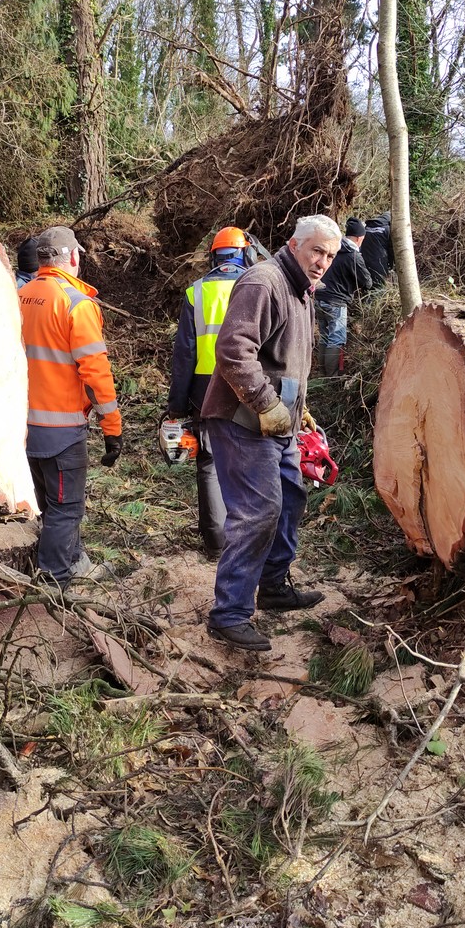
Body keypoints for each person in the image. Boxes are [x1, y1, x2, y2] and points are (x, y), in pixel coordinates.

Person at [201, 213, 342, 651]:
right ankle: (229, 614)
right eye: (317, 250)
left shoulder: (302, 291)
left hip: (278, 420)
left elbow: (283, 361)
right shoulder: (264, 282)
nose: (323, 261)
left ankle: (275, 586)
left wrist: (298, 411)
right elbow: (233, 351)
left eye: (331, 255)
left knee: (290, 499)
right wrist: (267, 404)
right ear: (294, 244)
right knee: (259, 512)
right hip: (242, 420)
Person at [19, 226, 122, 590]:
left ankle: (75, 560)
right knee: (66, 509)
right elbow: (97, 375)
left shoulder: (19, 295)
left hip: (21, 427)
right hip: (62, 432)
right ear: (73, 257)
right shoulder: (75, 304)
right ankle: (54, 580)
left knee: (49, 504)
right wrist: (113, 429)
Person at [167, 226, 259, 559]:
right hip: (250, 383)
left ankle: (217, 543)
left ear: (214, 256)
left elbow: (184, 355)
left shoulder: (196, 293)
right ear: (245, 252)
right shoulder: (258, 285)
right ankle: (249, 539)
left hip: (205, 387)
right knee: (251, 458)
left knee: (209, 463)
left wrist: (176, 404)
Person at [315, 216, 372, 376]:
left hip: (319, 297)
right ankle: (332, 378)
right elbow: (367, 282)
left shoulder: (333, 248)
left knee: (325, 337)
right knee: (336, 338)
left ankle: (321, 374)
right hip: (336, 302)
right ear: (360, 238)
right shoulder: (353, 255)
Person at [360, 211, 394, 290]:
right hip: (379, 262)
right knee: (378, 287)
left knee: (367, 284)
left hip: (363, 261)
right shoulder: (387, 229)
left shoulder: (366, 228)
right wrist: (391, 264)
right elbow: (391, 249)